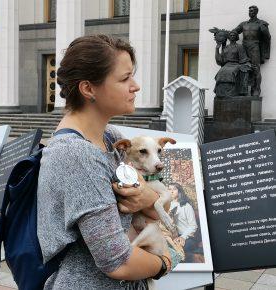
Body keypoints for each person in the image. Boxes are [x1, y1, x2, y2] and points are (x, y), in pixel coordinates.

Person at [37, 35, 180, 289]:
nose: (135, 86)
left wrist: (148, 198)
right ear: (88, 89)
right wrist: (166, 261)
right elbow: (118, 262)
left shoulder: (110, 137)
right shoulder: (76, 156)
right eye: (125, 79)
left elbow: (152, 206)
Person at [233, 5, 271, 97]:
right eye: (250, 11)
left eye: (253, 11)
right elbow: (233, 32)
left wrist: (264, 30)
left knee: (256, 69)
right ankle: (242, 90)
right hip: (244, 47)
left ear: (256, 12)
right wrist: (221, 33)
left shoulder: (261, 24)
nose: (251, 12)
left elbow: (267, 37)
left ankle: (256, 89)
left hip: (255, 47)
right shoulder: (243, 24)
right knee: (242, 68)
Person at [214, 30, 253, 97]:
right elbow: (220, 61)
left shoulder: (239, 46)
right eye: (231, 35)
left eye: (234, 35)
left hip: (236, 64)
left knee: (231, 72)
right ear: (229, 37)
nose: (232, 36)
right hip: (227, 65)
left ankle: (232, 92)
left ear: (236, 37)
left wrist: (245, 64)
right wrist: (217, 49)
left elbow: (243, 58)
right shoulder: (226, 47)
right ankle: (222, 92)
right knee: (221, 72)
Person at [169, 183, 198, 259]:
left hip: (187, 237)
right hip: (172, 236)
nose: (171, 191)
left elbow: (193, 226)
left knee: (174, 251)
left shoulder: (186, 206)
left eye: (174, 189)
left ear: (179, 191)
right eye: (169, 189)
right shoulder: (167, 205)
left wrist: (183, 237)